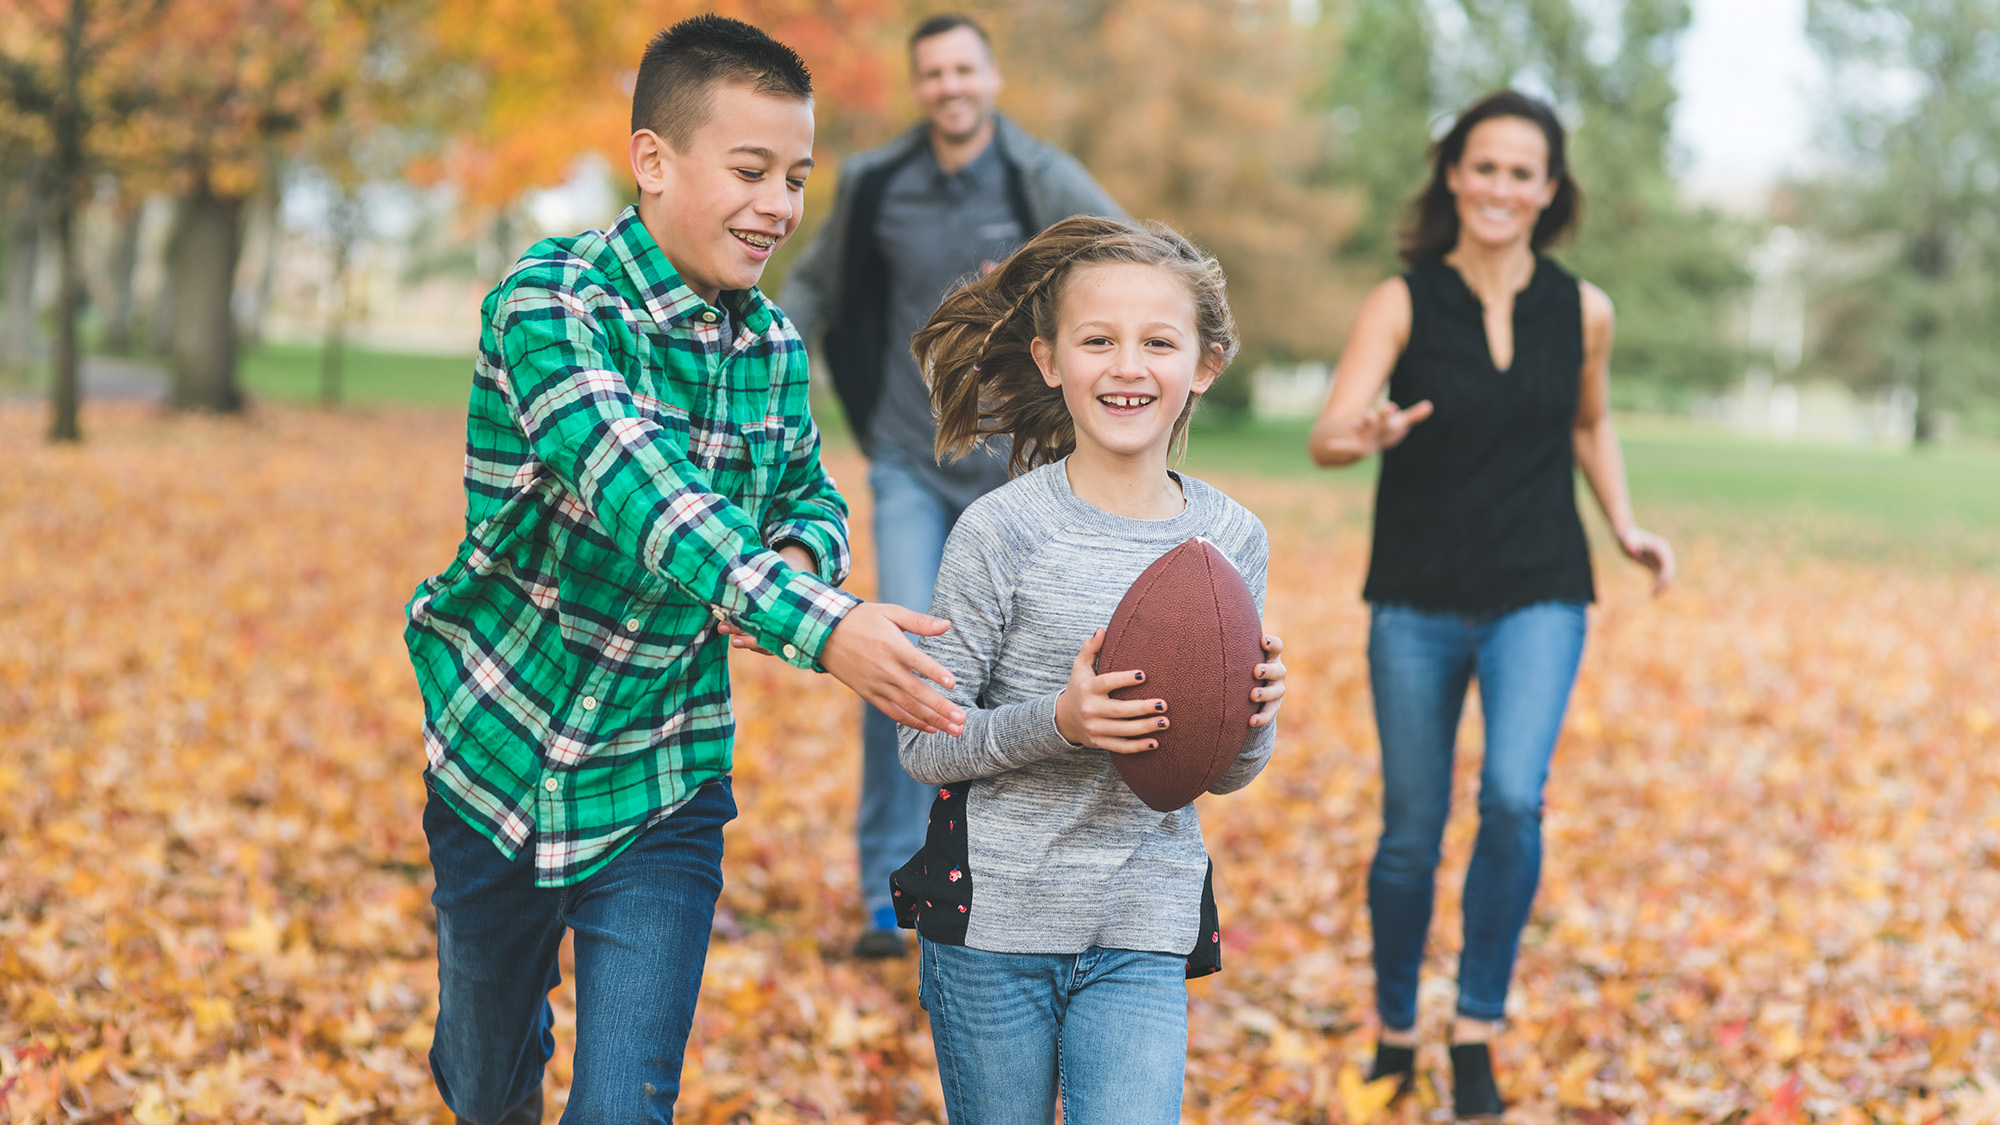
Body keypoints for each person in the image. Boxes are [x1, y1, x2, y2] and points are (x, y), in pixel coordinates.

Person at [403, 18, 971, 1125]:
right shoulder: (550, 303)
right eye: (751, 170)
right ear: (653, 161)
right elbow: (643, 495)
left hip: (662, 772)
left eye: (798, 177)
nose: (778, 205)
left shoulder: (771, 350)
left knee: (625, 1109)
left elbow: (804, 493)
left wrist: (798, 562)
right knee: (481, 1082)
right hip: (500, 747)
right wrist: (824, 625)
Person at [1307, 90, 1675, 1118]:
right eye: (1483, 167)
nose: (1500, 187)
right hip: (1415, 596)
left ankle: (1474, 1030)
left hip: (1539, 589)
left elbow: (1588, 425)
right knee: (1408, 836)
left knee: (1513, 798)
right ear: (1453, 178)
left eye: (1522, 171)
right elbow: (1327, 434)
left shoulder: (1583, 308)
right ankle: (1392, 1030)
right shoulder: (1401, 300)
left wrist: (1624, 526)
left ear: (1548, 190)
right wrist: (1366, 432)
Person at [887, 215, 1288, 1123]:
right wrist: (1059, 722)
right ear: (1047, 359)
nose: (1127, 366)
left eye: (1159, 342)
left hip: (1142, 919)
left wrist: (1254, 717)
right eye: (1097, 340)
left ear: (1206, 364)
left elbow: (1219, 774)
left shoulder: (1230, 540)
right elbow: (923, 740)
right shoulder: (1001, 532)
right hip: (994, 923)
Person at [780, 13, 1124, 958]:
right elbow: (812, 289)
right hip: (909, 460)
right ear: (918, 85)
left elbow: (1128, 254)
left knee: (1033, 666)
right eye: (931, 73)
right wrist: (759, 352)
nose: (949, 87)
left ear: (992, 76)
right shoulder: (877, 182)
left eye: (963, 69)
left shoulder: (1037, 175)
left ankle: (1017, 874)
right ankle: (888, 894)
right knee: (903, 661)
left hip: (1017, 476)